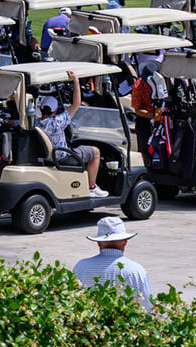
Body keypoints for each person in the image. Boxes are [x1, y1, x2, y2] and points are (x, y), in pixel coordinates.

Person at [37, 69, 107, 198]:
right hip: (63, 157)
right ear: (56, 109)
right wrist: (76, 81)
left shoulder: (35, 123)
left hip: (47, 157)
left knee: (81, 150)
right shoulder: (57, 122)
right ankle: (92, 187)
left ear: (40, 108)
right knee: (95, 152)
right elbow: (76, 104)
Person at [73, 216, 152, 309]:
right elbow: (148, 306)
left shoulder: (81, 266)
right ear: (125, 241)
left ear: (98, 242)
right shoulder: (136, 271)